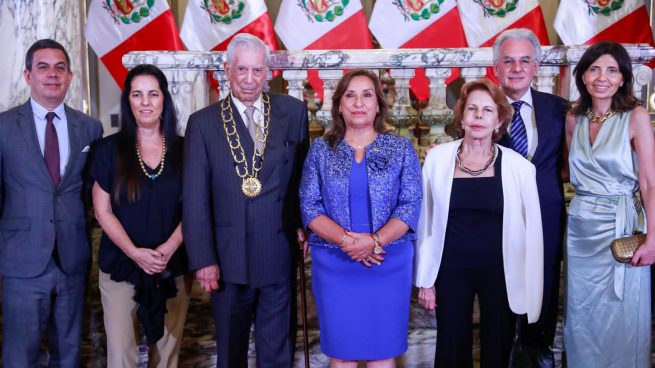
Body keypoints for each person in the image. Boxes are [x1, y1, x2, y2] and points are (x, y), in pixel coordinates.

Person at [182, 33, 309, 368]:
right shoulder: (203, 123)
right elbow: (195, 199)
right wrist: (203, 258)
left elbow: (301, 178)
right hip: (226, 259)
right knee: (230, 355)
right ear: (227, 70)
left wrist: (301, 224)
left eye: (257, 70)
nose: (250, 80)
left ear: (268, 71)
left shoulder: (293, 112)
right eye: (242, 70)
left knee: (277, 354)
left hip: (277, 252)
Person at [415, 79, 543, 368]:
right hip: (450, 270)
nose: (478, 116)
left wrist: (529, 281)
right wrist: (426, 280)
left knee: (497, 346)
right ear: (461, 116)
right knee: (450, 346)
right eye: (471, 108)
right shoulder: (436, 159)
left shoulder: (520, 168)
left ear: (499, 121)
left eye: (487, 110)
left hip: (501, 270)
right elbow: (425, 223)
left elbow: (532, 232)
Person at [299, 69, 422, 367]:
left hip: (388, 262)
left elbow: (410, 204)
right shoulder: (320, 151)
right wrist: (348, 241)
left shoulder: (401, 148)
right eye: (350, 95)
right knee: (341, 354)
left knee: (383, 353)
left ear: (378, 104)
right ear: (339, 104)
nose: (358, 102)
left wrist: (374, 241)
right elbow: (309, 205)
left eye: (367, 95)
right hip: (335, 264)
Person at [0, 39, 103, 366]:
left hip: (73, 258)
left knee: (70, 352)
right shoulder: (3, 127)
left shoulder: (90, 128)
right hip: (23, 260)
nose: (52, 74)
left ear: (71, 77)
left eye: (60, 67)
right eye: (43, 67)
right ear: (27, 74)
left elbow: (90, 190)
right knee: (20, 354)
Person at [90, 64, 190, 368]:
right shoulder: (108, 149)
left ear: (164, 100)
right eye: (137, 94)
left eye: (152, 94)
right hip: (121, 265)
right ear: (128, 101)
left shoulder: (186, 149)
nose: (145, 102)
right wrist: (135, 253)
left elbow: (196, 207)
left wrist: (168, 248)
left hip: (171, 265)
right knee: (122, 356)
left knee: (167, 358)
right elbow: (102, 210)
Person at [563, 41, 655, 367]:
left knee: (624, 314)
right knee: (582, 314)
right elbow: (569, 171)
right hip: (580, 229)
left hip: (623, 227)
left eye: (612, 70)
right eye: (595, 69)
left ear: (622, 78)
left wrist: (653, 239)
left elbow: (649, 182)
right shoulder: (574, 119)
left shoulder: (635, 117)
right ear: (583, 76)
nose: (603, 77)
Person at [493, 28, 567, 346]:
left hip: (547, 223)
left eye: (525, 60)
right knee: (500, 312)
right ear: (496, 67)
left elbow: (568, 164)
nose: (517, 68)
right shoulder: (480, 107)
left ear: (536, 67)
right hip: (497, 224)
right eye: (508, 61)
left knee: (543, 309)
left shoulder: (561, 109)